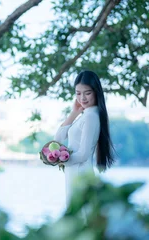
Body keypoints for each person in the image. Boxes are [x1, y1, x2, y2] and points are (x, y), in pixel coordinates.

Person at [54, 70, 115, 206]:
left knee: (81, 215)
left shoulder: (91, 117)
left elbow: (83, 154)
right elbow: (58, 138)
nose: (82, 98)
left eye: (87, 93)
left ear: (96, 92)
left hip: (80, 172)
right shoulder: (84, 115)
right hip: (74, 171)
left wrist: (60, 160)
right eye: (78, 93)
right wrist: (74, 112)